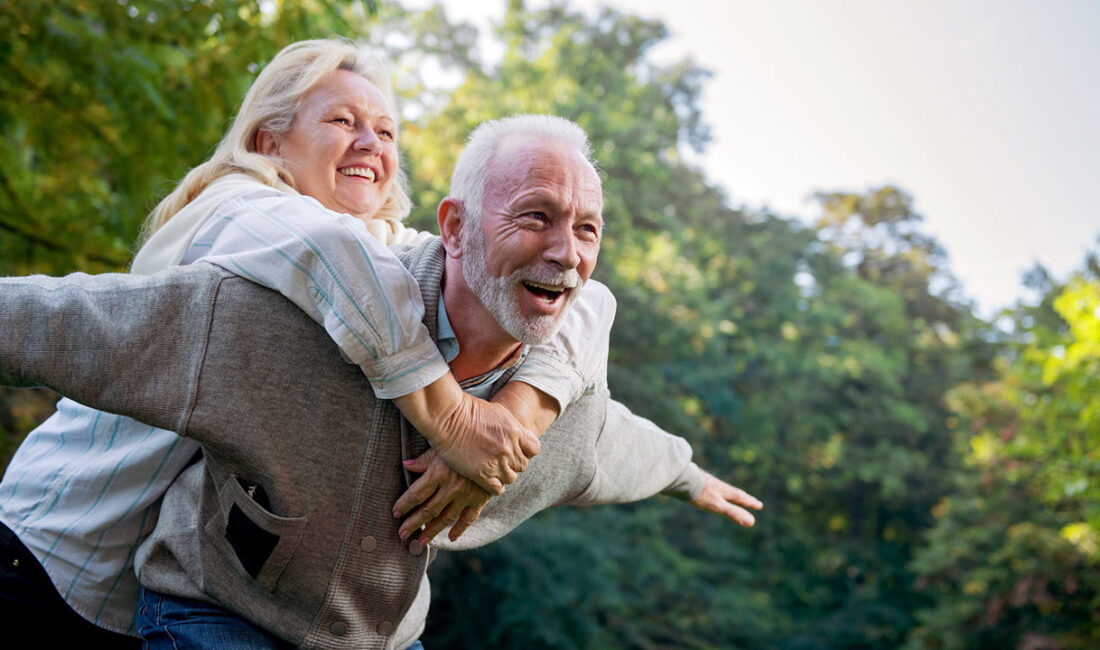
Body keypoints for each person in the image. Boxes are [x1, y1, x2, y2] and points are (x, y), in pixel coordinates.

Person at [0, 114, 762, 649]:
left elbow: (619, 445)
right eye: (536, 217)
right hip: (214, 615)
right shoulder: (281, 321)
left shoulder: (558, 403)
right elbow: (75, 321)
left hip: (378, 637)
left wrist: (689, 473)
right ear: (455, 228)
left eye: (587, 229)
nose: (566, 252)